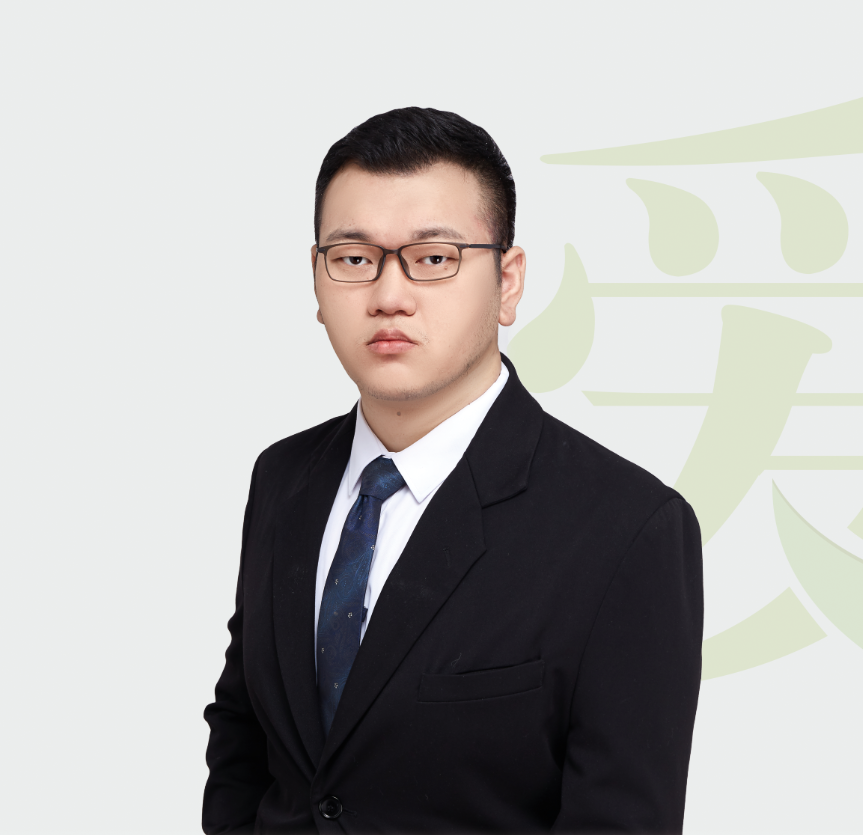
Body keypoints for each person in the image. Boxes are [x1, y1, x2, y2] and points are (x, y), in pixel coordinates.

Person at [202, 107, 704, 834]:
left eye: (434, 258)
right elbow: (243, 737)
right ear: (316, 278)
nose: (388, 295)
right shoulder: (282, 478)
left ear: (507, 280)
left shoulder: (628, 529)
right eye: (353, 258)